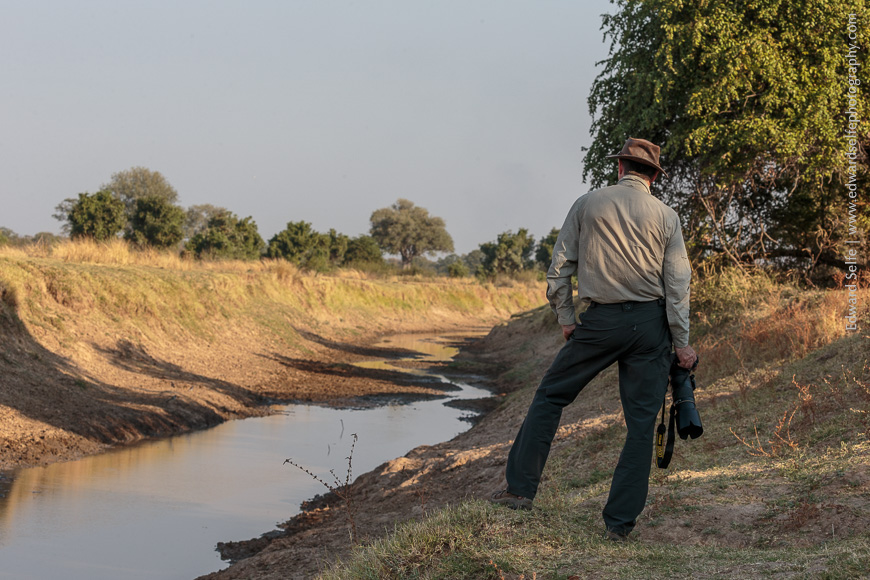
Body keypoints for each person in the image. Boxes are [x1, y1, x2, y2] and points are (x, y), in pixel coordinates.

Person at [490, 137, 697, 542]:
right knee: (640, 426)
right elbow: (677, 286)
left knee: (551, 396)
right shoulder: (667, 216)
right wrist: (682, 342)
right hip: (650, 326)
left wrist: (567, 319)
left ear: (620, 168)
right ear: (653, 176)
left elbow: (559, 269)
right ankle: (618, 526)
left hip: (599, 321)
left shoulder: (587, 203)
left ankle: (519, 491)